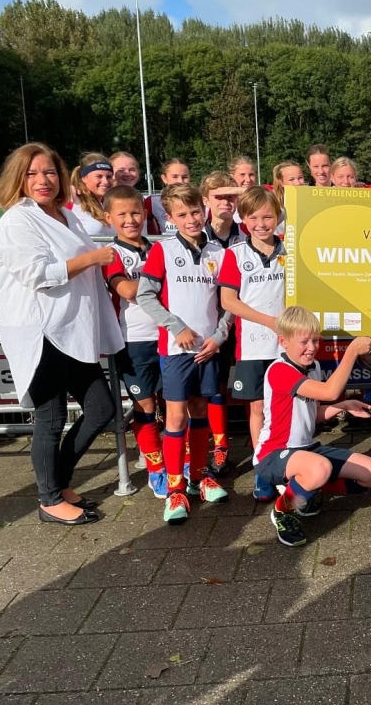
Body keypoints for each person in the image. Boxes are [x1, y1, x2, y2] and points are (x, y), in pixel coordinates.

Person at [0, 142, 123, 525]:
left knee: (102, 408)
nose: (42, 180)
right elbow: (39, 276)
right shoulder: (17, 221)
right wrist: (94, 258)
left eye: (48, 171)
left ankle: (60, 482)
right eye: (31, 173)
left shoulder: (67, 215)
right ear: (18, 178)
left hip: (72, 329)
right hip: (41, 330)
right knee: (51, 419)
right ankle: (49, 499)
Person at [137, 183, 232, 525]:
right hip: (176, 350)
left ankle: (199, 476)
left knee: (201, 411)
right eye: (182, 215)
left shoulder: (217, 253)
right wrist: (177, 327)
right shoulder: (162, 250)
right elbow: (145, 296)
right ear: (170, 218)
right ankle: (175, 487)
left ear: (204, 210)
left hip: (207, 350)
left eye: (195, 212)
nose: (191, 219)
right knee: (175, 418)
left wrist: (219, 337)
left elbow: (228, 304)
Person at [253, 307, 371, 546]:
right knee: (319, 468)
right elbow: (329, 391)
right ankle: (283, 512)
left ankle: (307, 491)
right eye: (304, 341)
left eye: (315, 340)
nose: (312, 347)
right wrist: (352, 350)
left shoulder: (314, 368)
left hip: (307, 451)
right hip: (272, 455)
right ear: (283, 341)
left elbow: (313, 414)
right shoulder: (279, 370)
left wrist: (343, 405)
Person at [219, 186, 286, 501]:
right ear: (243, 220)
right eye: (254, 217)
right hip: (253, 346)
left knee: (285, 407)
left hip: (287, 347)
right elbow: (229, 301)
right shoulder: (235, 254)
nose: (261, 223)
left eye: (268, 216)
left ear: (277, 217)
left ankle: (285, 465)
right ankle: (262, 469)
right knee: (258, 407)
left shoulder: (290, 250)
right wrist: (269, 321)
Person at [102, 185, 165, 497]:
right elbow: (126, 291)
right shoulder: (112, 254)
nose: (130, 219)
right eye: (122, 214)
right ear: (109, 217)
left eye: (136, 212)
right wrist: (160, 282)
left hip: (167, 335)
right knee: (145, 406)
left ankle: (179, 462)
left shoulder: (159, 248)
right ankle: (155, 469)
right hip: (134, 339)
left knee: (176, 404)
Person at [200, 172, 243, 477]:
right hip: (208, 325)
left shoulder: (248, 233)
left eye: (231, 196)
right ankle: (219, 445)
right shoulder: (195, 236)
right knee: (213, 388)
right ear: (206, 200)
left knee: (253, 388)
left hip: (243, 323)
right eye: (219, 197)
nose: (226, 202)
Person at [70, 153, 115, 237]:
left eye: (109, 177)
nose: (105, 182)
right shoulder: (74, 200)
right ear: (84, 178)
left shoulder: (106, 205)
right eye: (99, 176)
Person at [146, 159, 191, 236]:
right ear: (164, 178)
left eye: (184, 177)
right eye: (175, 177)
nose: (180, 181)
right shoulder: (152, 201)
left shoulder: (200, 200)